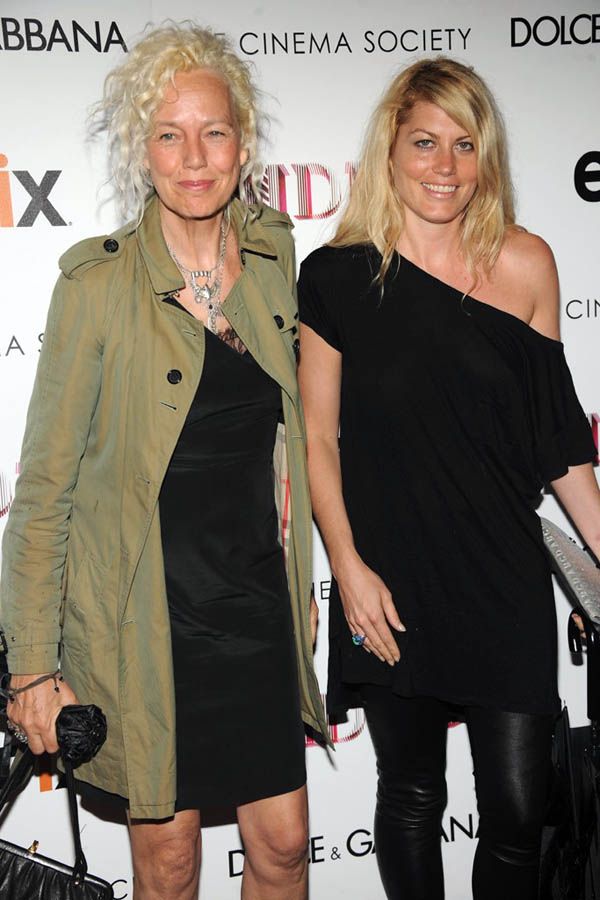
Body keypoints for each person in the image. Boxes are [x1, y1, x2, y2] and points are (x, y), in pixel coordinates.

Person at [0, 23, 327, 900]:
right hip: (145, 620)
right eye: (169, 135)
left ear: (243, 145)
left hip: (254, 608)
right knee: (171, 862)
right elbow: (45, 488)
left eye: (213, 132)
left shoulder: (274, 259)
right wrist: (31, 665)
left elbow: (296, 444)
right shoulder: (95, 286)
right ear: (142, 151)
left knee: (286, 847)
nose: (194, 158)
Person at [297, 57, 600, 900]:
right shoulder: (337, 275)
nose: (445, 165)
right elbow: (317, 439)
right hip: (390, 579)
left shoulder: (527, 263)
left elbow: (561, 446)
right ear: (390, 150)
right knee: (410, 797)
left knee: (519, 814)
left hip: (503, 575)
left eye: (465, 145)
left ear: (486, 156)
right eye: (425, 142)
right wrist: (349, 571)